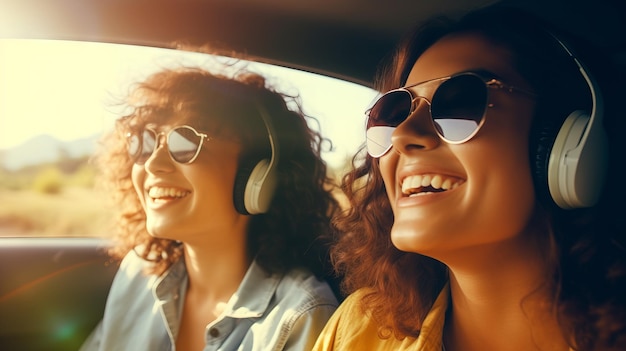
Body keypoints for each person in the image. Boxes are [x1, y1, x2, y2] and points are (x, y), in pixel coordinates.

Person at [313, 3, 625, 351]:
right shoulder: (357, 330)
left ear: (564, 143)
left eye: (459, 104)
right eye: (394, 114)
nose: (402, 135)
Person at [80, 64, 340, 351]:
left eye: (185, 142)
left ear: (258, 174)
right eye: (144, 143)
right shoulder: (138, 271)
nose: (153, 163)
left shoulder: (300, 315)